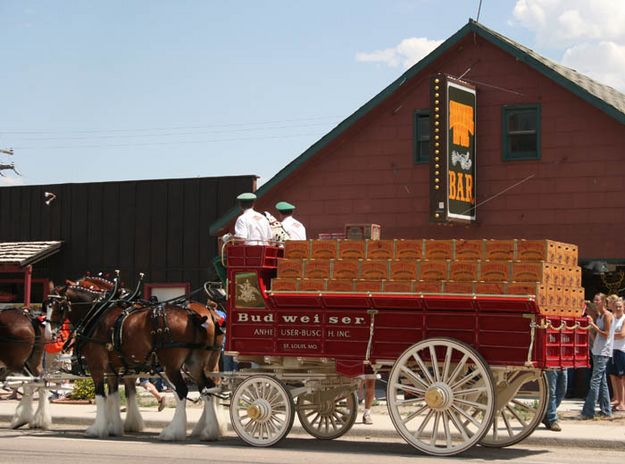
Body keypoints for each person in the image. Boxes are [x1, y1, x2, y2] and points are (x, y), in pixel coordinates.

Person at [581, 292, 615, 419]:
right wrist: (590, 329)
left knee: (595, 381)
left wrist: (593, 325)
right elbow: (597, 336)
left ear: (604, 302)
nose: (596, 302)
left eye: (597, 300)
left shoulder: (607, 315)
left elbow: (606, 334)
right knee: (602, 382)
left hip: (603, 352)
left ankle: (588, 411)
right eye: (595, 300)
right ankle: (606, 410)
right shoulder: (600, 316)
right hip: (597, 350)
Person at [609, 297, 625, 411]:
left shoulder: (624, 319)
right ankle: (618, 400)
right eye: (616, 306)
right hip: (612, 350)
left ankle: (622, 402)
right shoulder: (613, 318)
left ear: (623, 307)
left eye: (620, 306)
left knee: (621, 378)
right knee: (614, 376)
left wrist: (610, 335)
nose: (618, 308)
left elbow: (623, 334)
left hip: (621, 350)